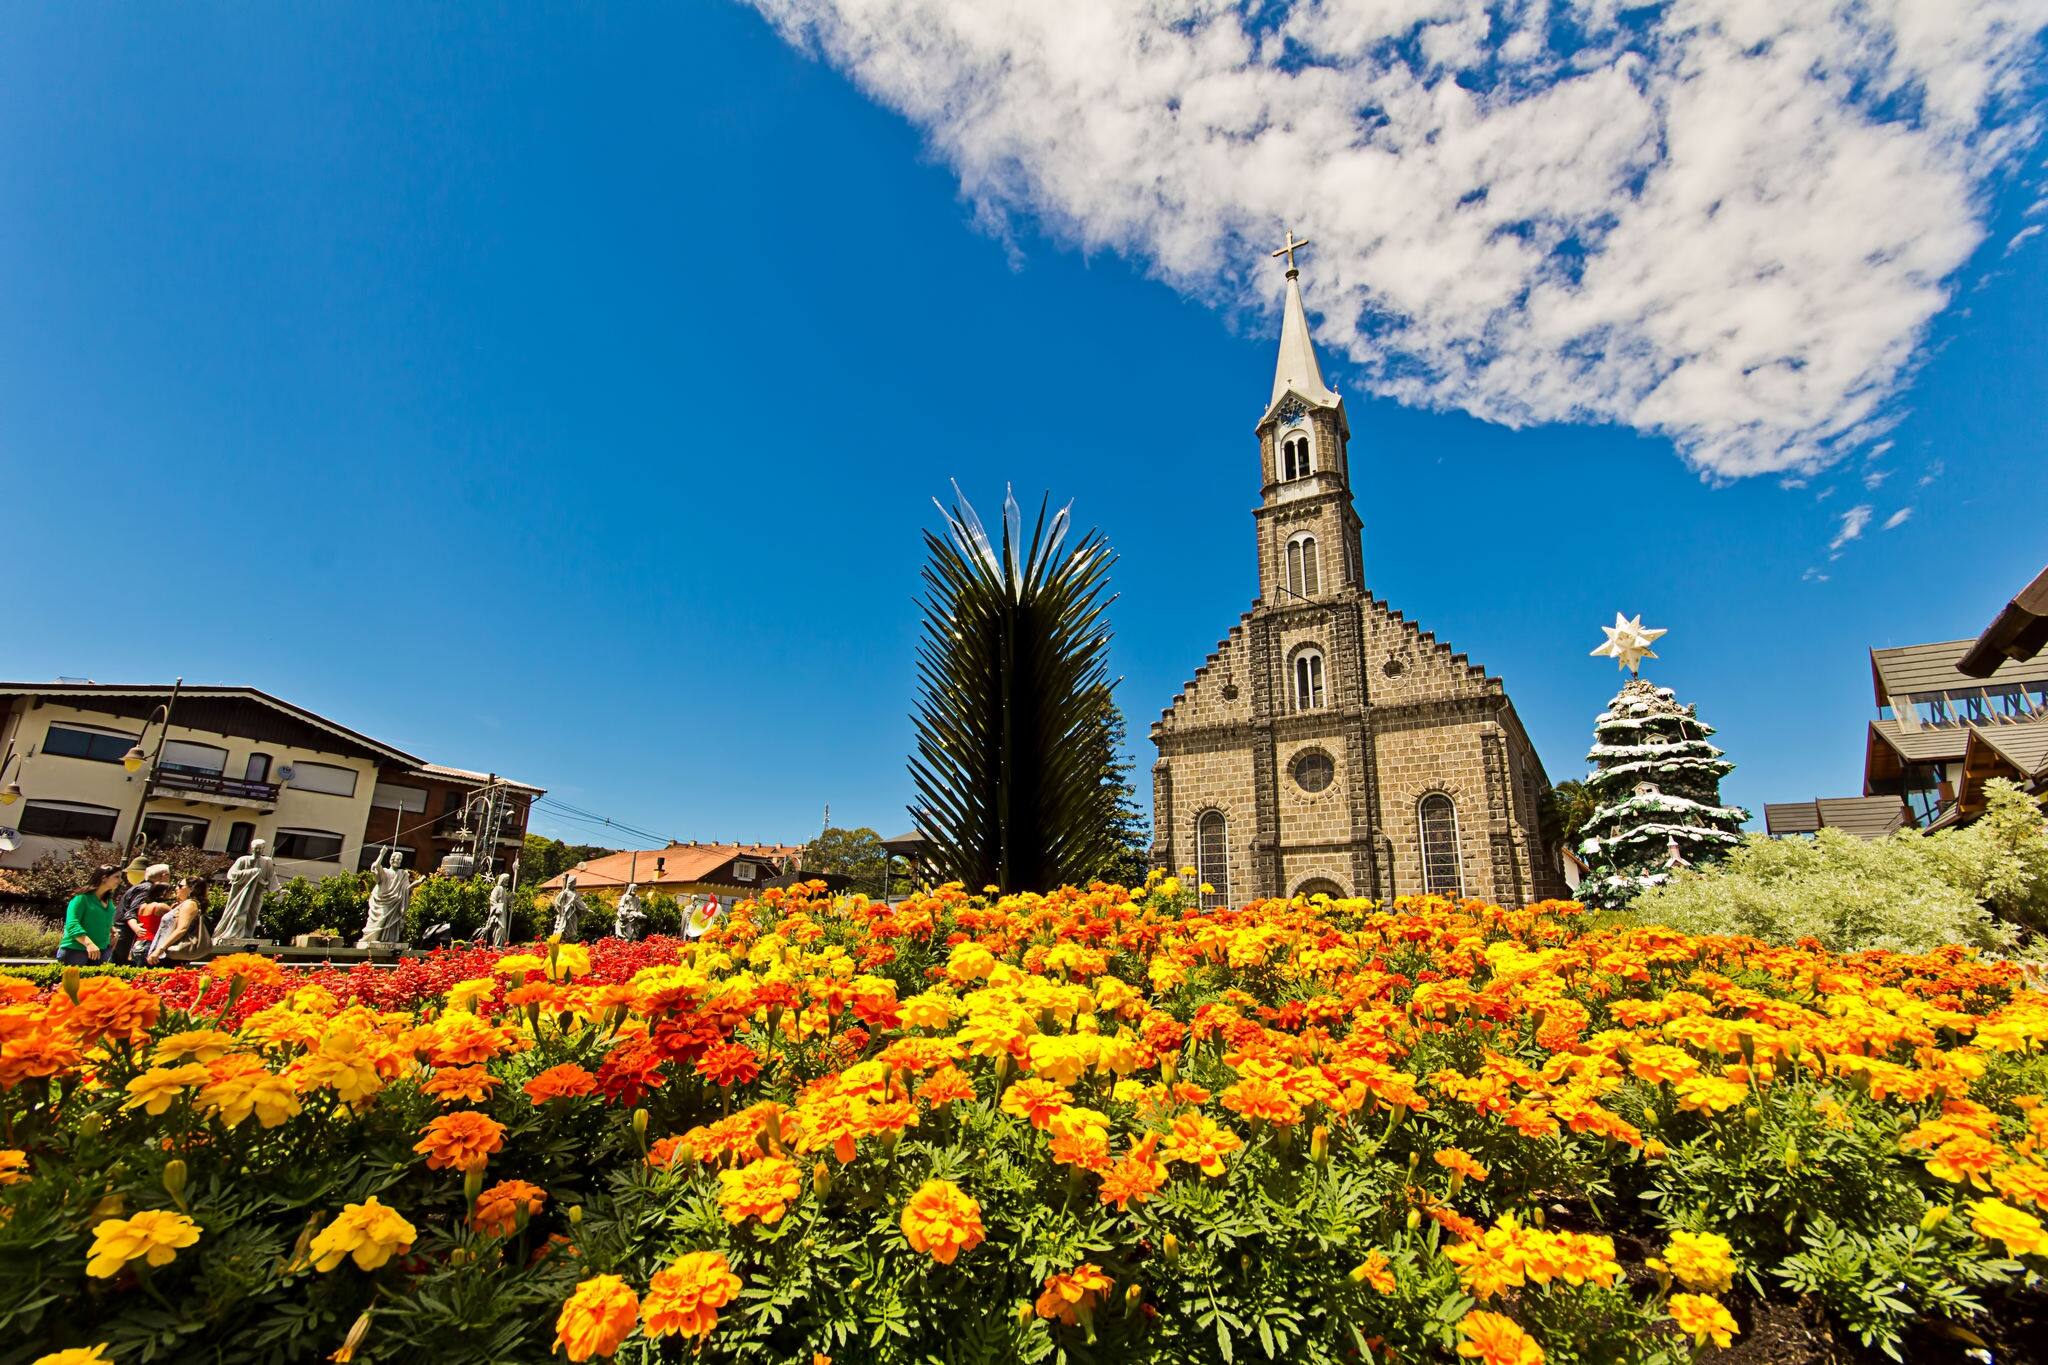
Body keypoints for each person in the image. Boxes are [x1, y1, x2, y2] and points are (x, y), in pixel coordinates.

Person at [56, 865, 123, 966]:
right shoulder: (81, 898)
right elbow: (72, 924)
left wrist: (113, 931)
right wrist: (89, 944)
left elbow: (102, 919)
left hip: (102, 950)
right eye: (117, 877)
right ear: (104, 878)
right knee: (72, 982)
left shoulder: (108, 901)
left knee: (96, 982)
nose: (120, 880)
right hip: (76, 951)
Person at [147, 876, 215, 964]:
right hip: (165, 953)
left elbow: (182, 929)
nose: (176, 888)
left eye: (180, 886)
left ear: (191, 889)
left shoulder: (190, 904)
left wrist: (160, 949)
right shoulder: (184, 904)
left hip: (170, 954)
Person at [114, 862, 172, 962]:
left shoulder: (142, 886)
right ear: (164, 875)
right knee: (119, 964)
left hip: (124, 931)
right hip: (127, 933)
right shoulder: (147, 889)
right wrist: (136, 928)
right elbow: (132, 911)